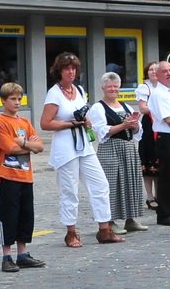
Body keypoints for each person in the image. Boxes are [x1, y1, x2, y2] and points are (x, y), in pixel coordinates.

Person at [41, 53, 121, 248]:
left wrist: (85, 122)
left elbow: (83, 113)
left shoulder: (79, 89)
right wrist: (71, 123)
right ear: (59, 71)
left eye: (73, 68)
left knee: (100, 184)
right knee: (70, 190)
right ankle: (71, 232)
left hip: (84, 144)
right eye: (67, 68)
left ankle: (104, 229)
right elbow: (45, 123)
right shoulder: (54, 93)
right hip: (66, 146)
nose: (71, 72)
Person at [0, 83, 46, 271]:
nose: (17, 102)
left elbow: (40, 146)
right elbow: (10, 148)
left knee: (26, 215)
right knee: (8, 215)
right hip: (8, 176)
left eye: (19, 99)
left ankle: (22, 254)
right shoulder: (1, 122)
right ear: (3, 100)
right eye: (12, 99)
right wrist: (29, 147)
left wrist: (23, 142)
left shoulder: (25, 122)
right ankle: (6, 256)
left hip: (26, 176)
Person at [87, 73, 146, 236]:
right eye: (109, 86)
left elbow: (137, 131)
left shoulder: (125, 106)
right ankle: (110, 221)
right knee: (111, 184)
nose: (113, 89)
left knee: (130, 182)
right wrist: (123, 125)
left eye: (115, 86)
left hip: (128, 148)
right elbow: (102, 132)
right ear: (103, 88)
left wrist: (134, 125)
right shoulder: (98, 108)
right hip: (111, 148)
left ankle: (130, 219)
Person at [145, 61, 170, 227]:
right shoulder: (158, 94)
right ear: (157, 75)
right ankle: (164, 213)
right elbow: (169, 119)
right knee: (168, 176)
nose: (169, 74)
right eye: (165, 71)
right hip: (168, 137)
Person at [135, 62, 160, 211]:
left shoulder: (164, 87)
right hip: (149, 125)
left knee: (159, 160)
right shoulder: (144, 87)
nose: (154, 72)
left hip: (162, 123)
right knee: (149, 158)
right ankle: (150, 196)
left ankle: (159, 194)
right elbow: (143, 109)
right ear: (146, 72)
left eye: (156, 69)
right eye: (151, 69)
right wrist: (159, 106)